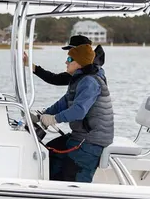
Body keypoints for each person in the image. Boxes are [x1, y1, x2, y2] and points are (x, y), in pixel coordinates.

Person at [37, 44, 114, 183]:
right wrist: (43, 115)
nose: (66, 62)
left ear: (79, 63)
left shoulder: (90, 81)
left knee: (72, 178)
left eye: (69, 58)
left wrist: (54, 119)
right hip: (80, 136)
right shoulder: (79, 79)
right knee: (50, 152)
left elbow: (79, 111)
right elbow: (64, 102)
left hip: (90, 142)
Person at [23, 35, 106, 86]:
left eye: (71, 50)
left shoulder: (90, 75)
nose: (69, 53)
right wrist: (30, 65)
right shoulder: (82, 71)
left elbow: (81, 107)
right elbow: (55, 79)